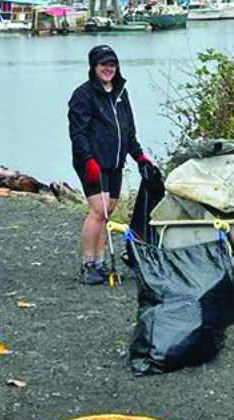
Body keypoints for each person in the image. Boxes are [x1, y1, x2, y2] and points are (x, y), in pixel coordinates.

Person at [68, 44, 161, 285]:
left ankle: (99, 262)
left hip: (114, 162)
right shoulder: (83, 94)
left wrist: (140, 157)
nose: (108, 69)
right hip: (91, 162)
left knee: (106, 212)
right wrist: (87, 159)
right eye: (103, 64)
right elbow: (78, 133)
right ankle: (88, 263)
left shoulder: (121, 93)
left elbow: (128, 131)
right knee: (98, 211)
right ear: (94, 67)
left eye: (112, 64)